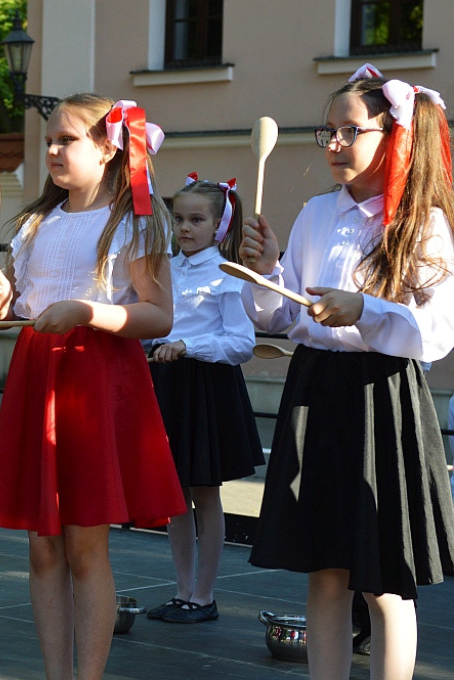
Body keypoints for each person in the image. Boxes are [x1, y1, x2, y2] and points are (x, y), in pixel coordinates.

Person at [239, 67, 454, 679]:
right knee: (325, 572)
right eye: (327, 132)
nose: (333, 144)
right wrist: (268, 269)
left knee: (385, 581)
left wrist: (366, 309)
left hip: (381, 397)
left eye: (349, 131)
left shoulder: (422, 223)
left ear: (393, 136)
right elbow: (281, 315)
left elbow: (437, 331)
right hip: (316, 394)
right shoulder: (314, 213)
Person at [0, 94, 185, 680]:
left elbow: (159, 316)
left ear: (106, 147)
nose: (51, 150)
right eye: (49, 139)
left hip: (95, 383)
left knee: (85, 545)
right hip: (37, 376)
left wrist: (88, 312)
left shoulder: (132, 221)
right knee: (42, 545)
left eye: (65, 139)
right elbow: (29, 309)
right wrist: (2, 306)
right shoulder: (36, 222)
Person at [145, 175, 263, 624]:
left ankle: (204, 595)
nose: (185, 228)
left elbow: (241, 343)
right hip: (167, 384)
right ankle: (181, 590)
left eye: (197, 219)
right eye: (179, 219)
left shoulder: (228, 276)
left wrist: (188, 347)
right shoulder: (164, 269)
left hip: (207, 388)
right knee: (174, 494)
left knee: (205, 492)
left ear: (220, 225)